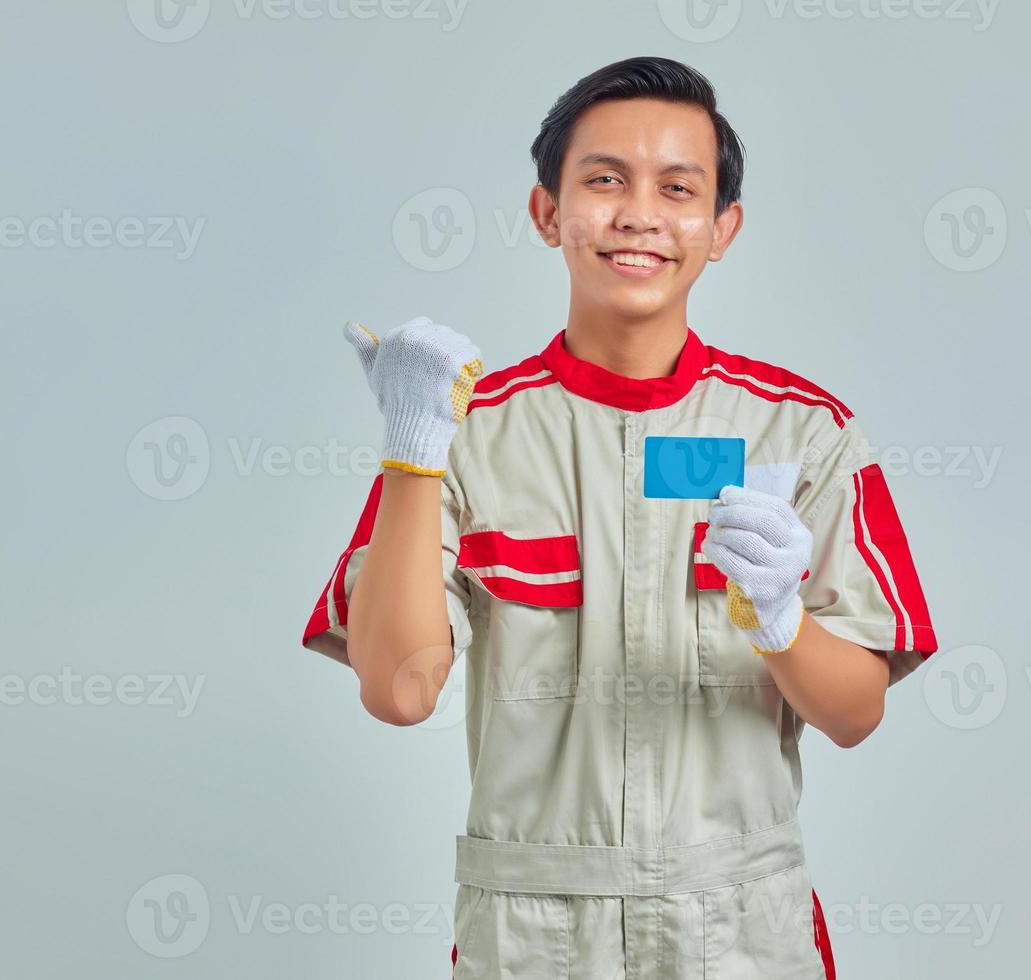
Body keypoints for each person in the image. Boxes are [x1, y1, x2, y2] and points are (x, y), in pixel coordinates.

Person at [301, 55, 941, 980]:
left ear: (723, 228)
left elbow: (856, 714)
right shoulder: (464, 433)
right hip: (533, 933)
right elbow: (399, 694)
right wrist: (413, 452)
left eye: (678, 188)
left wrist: (781, 621)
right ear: (547, 211)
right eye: (604, 180)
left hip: (741, 929)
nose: (639, 213)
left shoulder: (803, 431)